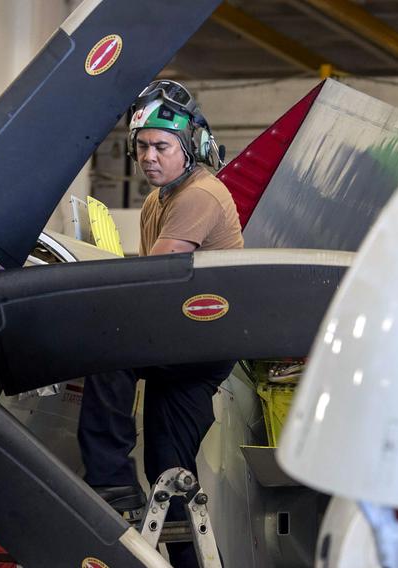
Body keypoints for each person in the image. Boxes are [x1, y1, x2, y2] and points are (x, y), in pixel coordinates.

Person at [78, 80, 243, 568]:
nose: (149, 157)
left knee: (109, 347)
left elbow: (153, 283)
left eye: (162, 146)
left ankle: (109, 477)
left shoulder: (200, 195)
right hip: (185, 336)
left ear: (189, 147)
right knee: (170, 480)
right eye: (142, 146)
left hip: (201, 337)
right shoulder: (155, 201)